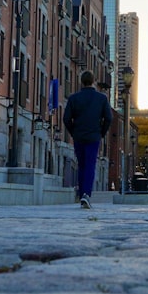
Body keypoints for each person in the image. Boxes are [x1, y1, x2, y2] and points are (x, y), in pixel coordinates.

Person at [63, 70, 113, 209]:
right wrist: (101, 133)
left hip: (79, 136)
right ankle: (86, 194)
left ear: (81, 81)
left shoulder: (74, 98)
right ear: (93, 81)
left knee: (82, 165)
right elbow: (108, 118)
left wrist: (73, 132)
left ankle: (82, 195)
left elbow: (66, 118)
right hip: (94, 136)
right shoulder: (101, 98)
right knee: (90, 165)